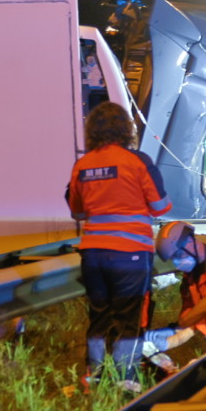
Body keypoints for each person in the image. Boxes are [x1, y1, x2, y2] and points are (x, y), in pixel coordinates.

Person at [64, 102, 171, 378]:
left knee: (98, 316)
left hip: (93, 255)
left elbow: (76, 210)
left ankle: (95, 376)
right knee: (128, 319)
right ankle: (127, 379)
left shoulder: (82, 165)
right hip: (130, 253)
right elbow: (161, 207)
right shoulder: (137, 161)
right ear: (126, 129)